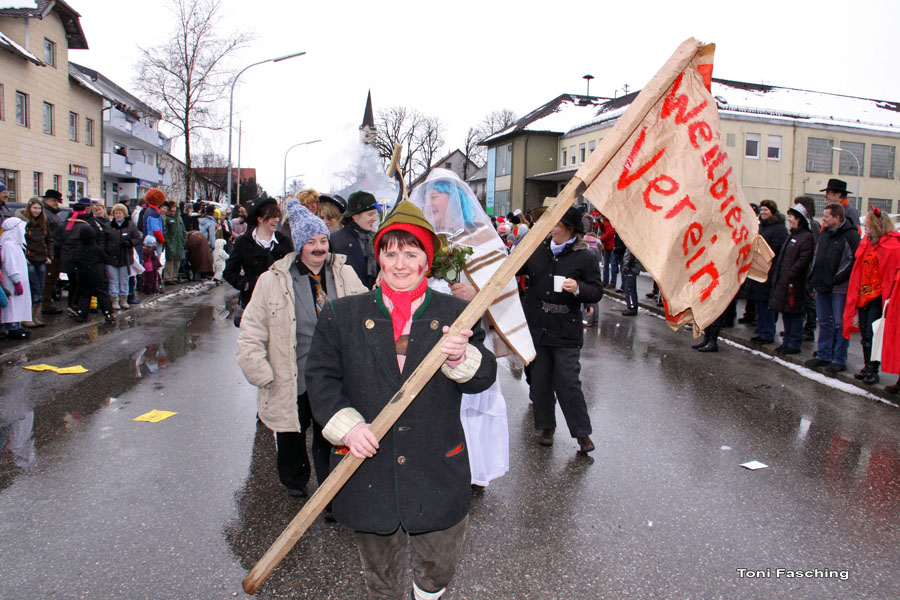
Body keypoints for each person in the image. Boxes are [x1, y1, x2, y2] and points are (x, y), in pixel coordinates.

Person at [306, 200, 497, 600]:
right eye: (390, 254)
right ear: (378, 258)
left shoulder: (457, 313)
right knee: (381, 578)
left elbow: (483, 378)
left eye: (411, 254)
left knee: (437, 571)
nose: (400, 264)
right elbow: (321, 379)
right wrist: (348, 426)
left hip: (436, 468)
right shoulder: (342, 314)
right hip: (368, 471)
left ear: (427, 260)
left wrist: (460, 358)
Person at [411, 168, 535, 487]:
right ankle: (437, 466)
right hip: (429, 332)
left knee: (473, 401)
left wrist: (477, 294)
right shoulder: (423, 238)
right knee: (434, 402)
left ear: (454, 199)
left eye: (435, 196)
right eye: (427, 197)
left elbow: (504, 287)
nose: (429, 202)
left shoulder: (481, 236)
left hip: (471, 336)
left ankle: (474, 470)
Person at [237, 200, 367, 499]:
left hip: (333, 373)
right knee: (291, 433)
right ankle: (294, 481)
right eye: (311, 242)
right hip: (291, 372)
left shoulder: (344, 273)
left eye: (323, 240)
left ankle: (332, 493)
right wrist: (260, 372)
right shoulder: (272, 280)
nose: (319, 248)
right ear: (299, 246)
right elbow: (251, 330)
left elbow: (366, 311)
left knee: (331, 432)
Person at [519, 205, 603, 453]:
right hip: (538, 329)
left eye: (555, 224)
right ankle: (546, 427)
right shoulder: (537, 249)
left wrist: (578, 288)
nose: (550, 228)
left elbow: (596, 291)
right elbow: (512, 269)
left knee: (568, 383)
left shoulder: (585, 256)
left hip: (566, 330)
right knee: (540, 383)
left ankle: (582, 434)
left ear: (569, 229)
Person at [841, 208, 900, 385]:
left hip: (879, 296)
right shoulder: (866, 243)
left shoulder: (892, 245)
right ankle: (868, 366)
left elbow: (892, 271)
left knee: (873, 333)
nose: (865, 227)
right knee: (865, 334)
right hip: (863, 294)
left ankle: (873, 369)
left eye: (868, 224)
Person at [804, 203, 861, 374]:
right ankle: (824, 354)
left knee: (839, 323)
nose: (824, 219)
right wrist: (813, 274)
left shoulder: (850, 235)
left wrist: (836, 279)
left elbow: (853, 261)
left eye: (827, 216)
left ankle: (839, 359)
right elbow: (817, 255)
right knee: (824, 321)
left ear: (837, 217)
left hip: (839, 288)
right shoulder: (825, 233)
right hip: (822, 284)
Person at [223, 198, 292, 326]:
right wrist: (246, 284)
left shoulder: (284, 242)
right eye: (272, 217)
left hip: (280, 305)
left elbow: (293, 271)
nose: (277, 220)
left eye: (278, 216)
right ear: (260, 219)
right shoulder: (244, 242)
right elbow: (229, 272)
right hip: (252, 304)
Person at [768, 203, 815, 354]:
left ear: (799, 219)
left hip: (795, 283)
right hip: (785, 281)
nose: (789, 219)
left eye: (791, 216)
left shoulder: (806, 237)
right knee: (786, 312)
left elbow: (803, 260)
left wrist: (791, 274)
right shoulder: (793, 236)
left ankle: (794, 343)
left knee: (794, 313)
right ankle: (787, 341)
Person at [746, 200, 788, 344]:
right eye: (762, 210)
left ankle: (767, 333)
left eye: (766, 210)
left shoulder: (779, 229)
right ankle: (762, 330)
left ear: (772, 211)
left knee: (766, 304)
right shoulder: (762, 227)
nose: (763, 213)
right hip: (759, 270)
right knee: (759, 303)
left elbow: (775, 249)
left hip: (770, 270)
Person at [68, 201, 115, 324]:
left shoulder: (79, 249)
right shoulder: (96, 249)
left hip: (83, 275)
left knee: (84, 295)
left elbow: (74, 260)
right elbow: (105, 258)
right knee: (102, 294)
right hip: (97, 274)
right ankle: (108, 313)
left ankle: (82, 314)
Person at [329, 190, 379, 289]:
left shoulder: (377, 239)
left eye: (375, 214)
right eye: (370, 214)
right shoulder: (335, 240)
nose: (374, 219)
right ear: (355, 216)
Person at [101, 203, 142, 310]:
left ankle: (123, 299)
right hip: (111, 258)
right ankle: (114, 299)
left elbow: (138, 238)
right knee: (113, 280)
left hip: (125, 257)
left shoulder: (130, 225)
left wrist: (130, 242)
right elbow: (103, 241)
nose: (118, 215)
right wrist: (104, 253)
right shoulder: (108, 226)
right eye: (116, 213)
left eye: (120, 213)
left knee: (124, 279)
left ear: (124, 214)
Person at [21, 198, 53, 328]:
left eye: (39, 208)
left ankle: (35, 316)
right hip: (30, 259)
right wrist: (23, 256)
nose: (37, 211)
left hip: (41, 259)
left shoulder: (43, 222)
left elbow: (49, 239)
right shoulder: (24, 223)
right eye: (34, 208)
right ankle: (27, 317)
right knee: (32, 287)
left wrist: (49, 255)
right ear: (29, 208)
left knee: (40, 287)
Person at [794, 196, 820, 342]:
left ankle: (809, 328)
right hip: (803, 267)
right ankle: (799, 327)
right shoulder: (804, 225)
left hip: (809, 268)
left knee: (808, 299)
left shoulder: (813, 225)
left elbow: (813, 248)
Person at [1, 217, 33, 339]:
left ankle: (16, 325)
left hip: (18, 280)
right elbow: (10, 265)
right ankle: (12, 327)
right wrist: (16, 281)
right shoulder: (8, 245)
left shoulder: (16, 244)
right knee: (12, 305)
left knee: (18, 304)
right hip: (12, 281)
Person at [40, 189, 65, 317]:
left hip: (56, 251)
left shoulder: (53, 214)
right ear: (46, 200)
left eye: (57, 201)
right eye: (53, 200)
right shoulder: (46, 214)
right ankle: (46, 305)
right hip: (51, 252)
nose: (56, 203)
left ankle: (47, 303)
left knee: (52, 279)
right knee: (48, 280)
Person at [163, 200, 187, 284]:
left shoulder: (178, 217)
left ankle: (174, 276)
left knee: (177, 259)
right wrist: (167, 242)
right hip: (171, 242)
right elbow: (165, 231)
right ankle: (168, 277)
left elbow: (183, 229)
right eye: (171, 208)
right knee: (170, 260)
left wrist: (184, 239)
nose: (173, 209)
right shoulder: (167, 218)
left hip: (179, 242)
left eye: (174, 207)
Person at [620, 247, 642, 316]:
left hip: (631, 268)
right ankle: (632, 306)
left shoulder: (632, 246)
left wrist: (628, 266)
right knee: (630, 288)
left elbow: (632, 257)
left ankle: (632, 307)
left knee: (630, 289)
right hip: (631, 267)